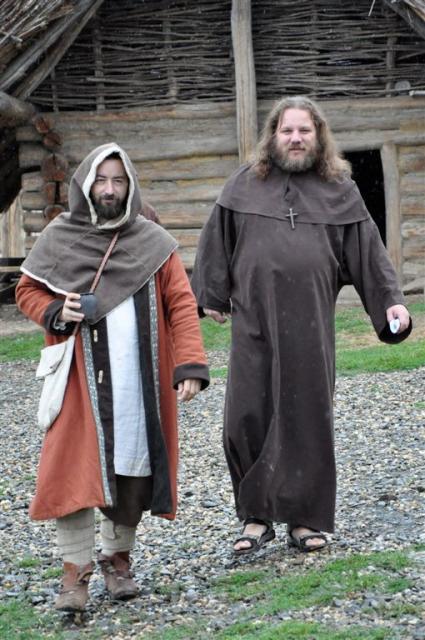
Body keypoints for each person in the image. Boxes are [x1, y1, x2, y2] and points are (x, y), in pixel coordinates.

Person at [191, 96, 411, 556]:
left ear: (319, 136)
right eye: (287, 130)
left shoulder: (340, 190)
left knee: (307, 416)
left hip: (311, 327)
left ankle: (304, 518)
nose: (295, 138)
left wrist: (390, 304)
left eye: (304, 131)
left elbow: (369, 255)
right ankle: (255, 518)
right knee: (246, 416)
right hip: (253, 323)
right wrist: (210, 294)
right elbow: (217, 239)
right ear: (273, 135)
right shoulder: (243, 185)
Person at [16, 142, 209, 612]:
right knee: (72, 468)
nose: (109, 189)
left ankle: (116, 560)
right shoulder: (61, 235)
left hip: (137, 380)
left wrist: (189, 364)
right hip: (79, 379)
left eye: (118, 180)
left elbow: (181, 303)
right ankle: (74, 573)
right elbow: (27, 290)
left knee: (132, 467)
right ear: (86, 184)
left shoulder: (153, 242)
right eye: (101, 180)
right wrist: (56, 310)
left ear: (130, 185)